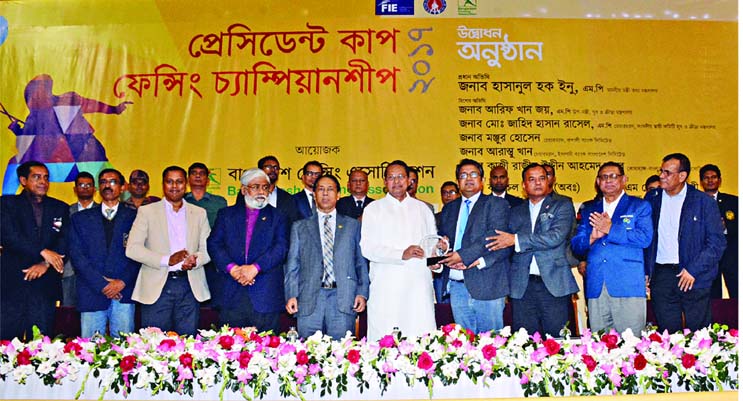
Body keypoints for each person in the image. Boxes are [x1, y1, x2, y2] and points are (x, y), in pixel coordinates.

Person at [485, 163, 579, 337]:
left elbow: (555, 237)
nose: (537, 183)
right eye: (532, 179)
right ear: (523, 185)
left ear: (548, 181)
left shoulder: (562, 205)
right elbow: (501, 243)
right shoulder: (515, 211)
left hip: (554, 284)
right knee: (526, 342)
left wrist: (516, 240)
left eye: (542, 178)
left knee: (559, 342)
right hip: (522, 286)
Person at [644, 153, 725, 333]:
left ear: (682, 176)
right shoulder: (652, 199)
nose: (662, 176)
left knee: (699, 336)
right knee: (667, 335)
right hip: (662, 275)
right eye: (661, 171)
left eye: (667, 173)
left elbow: (717, 243)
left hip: (693, 275)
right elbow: (646, 238)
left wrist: (693, 270)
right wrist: (646, 271)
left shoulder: (703, 202)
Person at [126, 166, 211, 336]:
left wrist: (194, 259)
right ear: (163, 184)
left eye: (179, 182)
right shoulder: (147, 212)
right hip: (157, 287)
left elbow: (207, 249)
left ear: (185, 184)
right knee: (154, 348)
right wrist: (167, 260)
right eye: (169, 181)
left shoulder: (199, 213)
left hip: (189, 285)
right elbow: (132, 249)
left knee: (189, 346)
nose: (174, 186)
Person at [570, 162, 653, 335]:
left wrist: (610, 229)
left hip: (627, 284)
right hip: (597, 285)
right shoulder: (589, 208)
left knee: (630, 346)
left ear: (624, 180)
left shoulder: (639, 206)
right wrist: (592, 237)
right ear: (598, 182)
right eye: (604, 177)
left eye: (613, 176)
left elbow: (645, 238)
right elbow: (577, 245)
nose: (608, 180)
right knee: (599, 346)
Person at [285, 175, 369, 339]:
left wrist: (362, 292)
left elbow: (361, 262)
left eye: (330, 189)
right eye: (321, 189)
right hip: (309, 298)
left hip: (344, 297)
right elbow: (293, 264)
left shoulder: (353, 225)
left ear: (338, 195)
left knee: (342, 355)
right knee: (308, 356)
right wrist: (291, 295)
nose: (325, 193)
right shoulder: (299, 227)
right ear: (314, 195)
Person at [360, 160, 437, 340]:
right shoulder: (373, 209)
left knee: (420, 339)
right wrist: (401, 254)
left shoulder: (423, 209)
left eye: (401, 176)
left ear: (409, 180)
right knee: (385, 341)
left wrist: (438, 255)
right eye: (391, 177)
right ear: (385, 182)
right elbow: (368, 248)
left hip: (418, 286)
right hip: (387, 286)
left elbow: (430, 245)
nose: (396, 181)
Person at [207, 168, 288, 332]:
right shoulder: (226, 214)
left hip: (265, 294)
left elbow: (281, 247)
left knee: (268, 352)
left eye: (265, 187)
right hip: (231, 292)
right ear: (244, 190)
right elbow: (214, 244)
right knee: (229, 350)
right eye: (255, 186)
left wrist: (255, 268)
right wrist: (233, 269)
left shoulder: (278, 216)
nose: (261, 191)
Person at [437, 159, 511, 333]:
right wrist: (442, 247)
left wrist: (462, 255)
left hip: (487, 284)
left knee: (491, 346)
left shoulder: (496, 204)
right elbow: (445, 240)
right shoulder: (449, 209)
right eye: (463, 175)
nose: (468, 178)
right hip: (456, 285)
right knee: (465, 345)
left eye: (473, 174)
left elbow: (492, 236)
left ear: (483, 180)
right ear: (458, 182)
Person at [68, 168, 139, 338]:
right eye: (104, 182)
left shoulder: (136, 217)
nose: (108, 185)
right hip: (91, 290)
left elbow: (140, 255)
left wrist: (121, 282)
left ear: (123, 187)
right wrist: (102, 284)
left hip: (123, 291)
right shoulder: (80, 219)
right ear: (98, 188)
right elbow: (77, 256)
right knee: (90, 352)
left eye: (113, 182)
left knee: (124, 351)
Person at [0, 161, 68, 339]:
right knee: (7, 342)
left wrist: (45, 263)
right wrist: (43, 251)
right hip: (13, 283)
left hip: (44, 286)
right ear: (23, 180)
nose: (43, 182)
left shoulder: (59, 207)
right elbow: (10, 236)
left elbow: (64, 241)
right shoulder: (6, 204)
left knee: (41, 345)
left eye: (46, 178)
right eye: (36, 177)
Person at [699, 164, 738, 299]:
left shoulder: (734, 201)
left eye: (714, 177)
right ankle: (713, 320)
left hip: (731, 255)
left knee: (736, 292)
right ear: (701, 181)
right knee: (712, 296)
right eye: (706, 178)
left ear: (720, 180)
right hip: (708, 255)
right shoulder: (696, 202)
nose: (710, 180)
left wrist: (725, 227)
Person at [62, 171, 99, 307]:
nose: (85, 188)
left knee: (93, 311)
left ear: (94, 189)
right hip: (69, 269)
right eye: (81, 185)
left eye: (89, 185)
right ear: (75, 188)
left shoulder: (102, 211)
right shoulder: (65, 211)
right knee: (68, 312)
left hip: (95, 271)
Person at [433, 180, 459, 303]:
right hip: (441, 271)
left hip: (460, 269)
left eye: (452, 192)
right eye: (445, 193)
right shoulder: (435, 218)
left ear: (458, 194)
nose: (448, 195)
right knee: (443, 310)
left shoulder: (465, 216)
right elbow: (431, 246)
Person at [258, 155, 300, 225]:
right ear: (260, 170)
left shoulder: (288, 198)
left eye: (276, 167)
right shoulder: (249, 194)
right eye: (268, 167)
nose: (273, 170)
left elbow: (293, 223)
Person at [185, 162, 227, 228]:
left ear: (208, 180)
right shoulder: (180, 200)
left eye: (202, 173)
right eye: (194, 173)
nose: (198, 176)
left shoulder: (219, 202)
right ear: (188, 180)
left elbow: (224, 227)